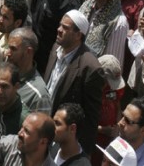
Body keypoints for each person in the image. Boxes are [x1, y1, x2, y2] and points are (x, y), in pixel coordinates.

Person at [44, 10, 104, 151]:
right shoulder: (56, 49)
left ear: (78, 35)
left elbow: (91, 117)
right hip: (44, 127)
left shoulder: (91, 68)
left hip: (64, 140)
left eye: (65, 28)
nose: (59, 30)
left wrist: (83, 152)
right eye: (60, 25)